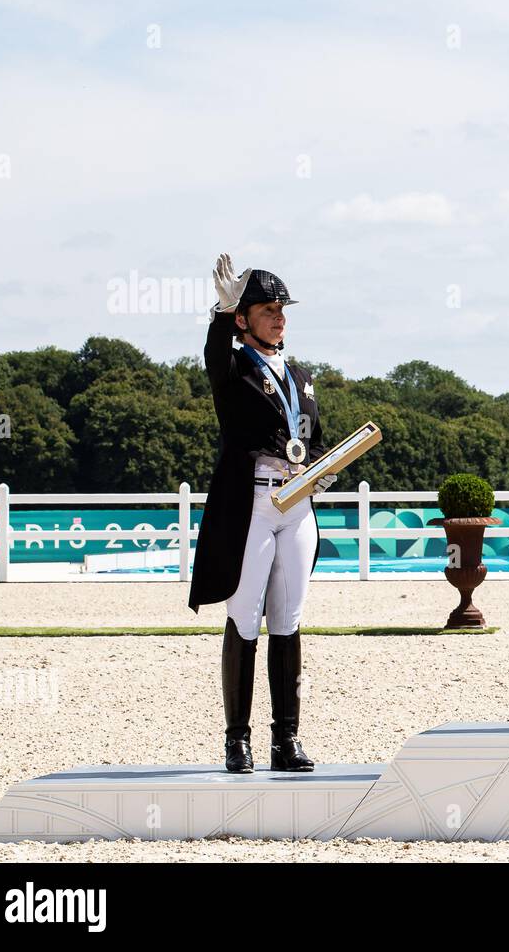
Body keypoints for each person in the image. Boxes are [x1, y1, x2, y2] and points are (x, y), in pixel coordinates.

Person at [189, 254, 337, 773]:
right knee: (245, 617)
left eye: (281, 309)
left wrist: (324, 466)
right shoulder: (233, 367)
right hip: (252, 500)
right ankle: (237, 740)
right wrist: (219, 313)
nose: (279, 317)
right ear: (244, 318)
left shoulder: (300, 373)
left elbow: (310, 437)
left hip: (297, 504)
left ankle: (286, 739)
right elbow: (213, 357)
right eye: (268, 309)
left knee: (290, 620)